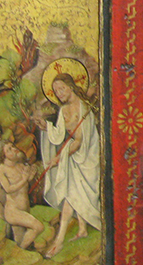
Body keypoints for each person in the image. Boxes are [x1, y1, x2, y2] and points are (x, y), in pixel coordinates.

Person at [39, 73, 101, 258]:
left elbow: (80, 141)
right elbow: (59, 135)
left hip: (87, 156)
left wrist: (58, 159)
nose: (59, 93)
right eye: (56, 91)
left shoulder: (84, 108)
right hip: (73, 157)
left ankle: (59, 241)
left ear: (71, 86)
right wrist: (46, 127)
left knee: (73, 194)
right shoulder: (63, 110)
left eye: (62, 89)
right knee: (72, 193)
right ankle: (81, 229)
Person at [0, 141, 45, 251]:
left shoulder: (20, 165)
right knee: (38, 227)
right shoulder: (1, 169)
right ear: (3, 156)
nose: (14, 149)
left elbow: (25, 184)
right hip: (14, 211)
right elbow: (8, 189)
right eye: (9, 149)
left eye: (12, 146)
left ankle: (19, 252)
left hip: (25, 208)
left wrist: (31, 175)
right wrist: (24, 179)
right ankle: (18, 252)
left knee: (21, 242)